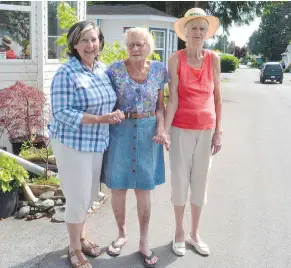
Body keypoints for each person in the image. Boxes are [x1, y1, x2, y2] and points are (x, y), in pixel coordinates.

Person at [49, 21, 124, 268]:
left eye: (94, 39)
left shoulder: (102, 69)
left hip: (97, 142)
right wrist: (100, 119)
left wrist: (115, 113)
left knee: (91, 194)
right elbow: (61, 112)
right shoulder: (66, 72)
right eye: (84, 40)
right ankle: (73, 248)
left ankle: (80, 236)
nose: (90, 45)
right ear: (74, 44)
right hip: (73, 144)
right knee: (78, 197)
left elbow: (107, 101)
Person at [102, 27, 169, 268]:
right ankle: (121, 234)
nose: (135, 48)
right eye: (131, 44)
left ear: (149, 46)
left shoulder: (160, 70)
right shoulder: (114, 70)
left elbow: (161, 106)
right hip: (120, 131)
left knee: (144, 189)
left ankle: (144, 241)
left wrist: (162, 129)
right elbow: (105, 102)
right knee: (118, 188)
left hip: (149, 132)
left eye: (140, 44)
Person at [164, 8, 222, 257]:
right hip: (180, 128)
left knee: (200, 182)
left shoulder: (213, 59)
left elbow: (217, 97)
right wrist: (164, 131)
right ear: (184, 31)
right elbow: (173, 98)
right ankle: (179, 232)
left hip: (207, 129)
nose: (197, 32)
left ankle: (195, 234)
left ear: (206, 33)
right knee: (179, 181)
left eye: (202, 28)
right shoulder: (175, 58)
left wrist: (219, 130)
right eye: (193, 28)